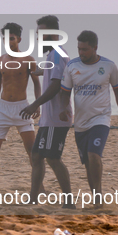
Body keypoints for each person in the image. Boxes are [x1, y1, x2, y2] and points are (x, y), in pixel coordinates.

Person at [59, 30, 118, 203]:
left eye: (85, 49)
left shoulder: (109, 66)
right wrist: (63, 108)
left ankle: (98, 196)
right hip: (80, 123)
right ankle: (95, 197)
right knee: (88, 163)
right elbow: (65, 92)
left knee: (94, 155)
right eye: (79, 49)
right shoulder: (72, 66)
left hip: (101, 119)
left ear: (95, 48)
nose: (81, 53)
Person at [19, 15, 74, 207]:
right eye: (37, 33)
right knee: (36, 155)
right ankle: (33, 199)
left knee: (52, 158)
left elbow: (56, 86)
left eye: (41, 33)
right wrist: (39, 71)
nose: (37, 37)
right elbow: (57, 73)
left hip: (56, 118)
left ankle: (69, 201)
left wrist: (35, 105)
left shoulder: (57, 53)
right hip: (49, 119)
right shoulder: (53, 55)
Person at [0, 22, 41, 190]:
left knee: (31, 149)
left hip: (22, 108)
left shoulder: (28, 60)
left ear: (19, 39)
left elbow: (37, 84)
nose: (9, 42)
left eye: (12, 38)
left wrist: (37, 105)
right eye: (6, 39)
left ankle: (40, 186)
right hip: (3, 108)